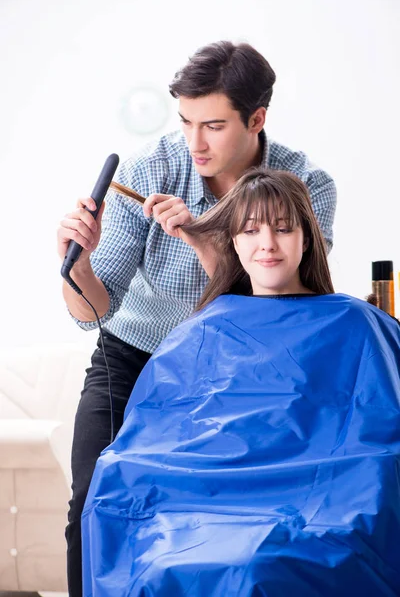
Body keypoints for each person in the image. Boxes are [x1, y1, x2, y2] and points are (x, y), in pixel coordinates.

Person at [57, 41, 337, 596]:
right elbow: (94, 310)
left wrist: (202, 237)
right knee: (93, 498)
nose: (195, 143)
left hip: (243, 367)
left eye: (212, 125)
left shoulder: (303, 184)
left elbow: (287, 300)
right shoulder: (152, 166)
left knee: (233, 515)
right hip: (137, 360)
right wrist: (79, 261)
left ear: (256, 119)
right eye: (185, 122)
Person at [81, 169, 400, 597]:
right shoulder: (203, 330)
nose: (266, 243)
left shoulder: (356, 323)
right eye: (250, 231)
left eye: (283, 229)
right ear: (232, 240)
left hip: (319, 501)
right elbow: (161, 435)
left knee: (262, 564)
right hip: (203, 501)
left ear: (308, 239)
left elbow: (376, 436)